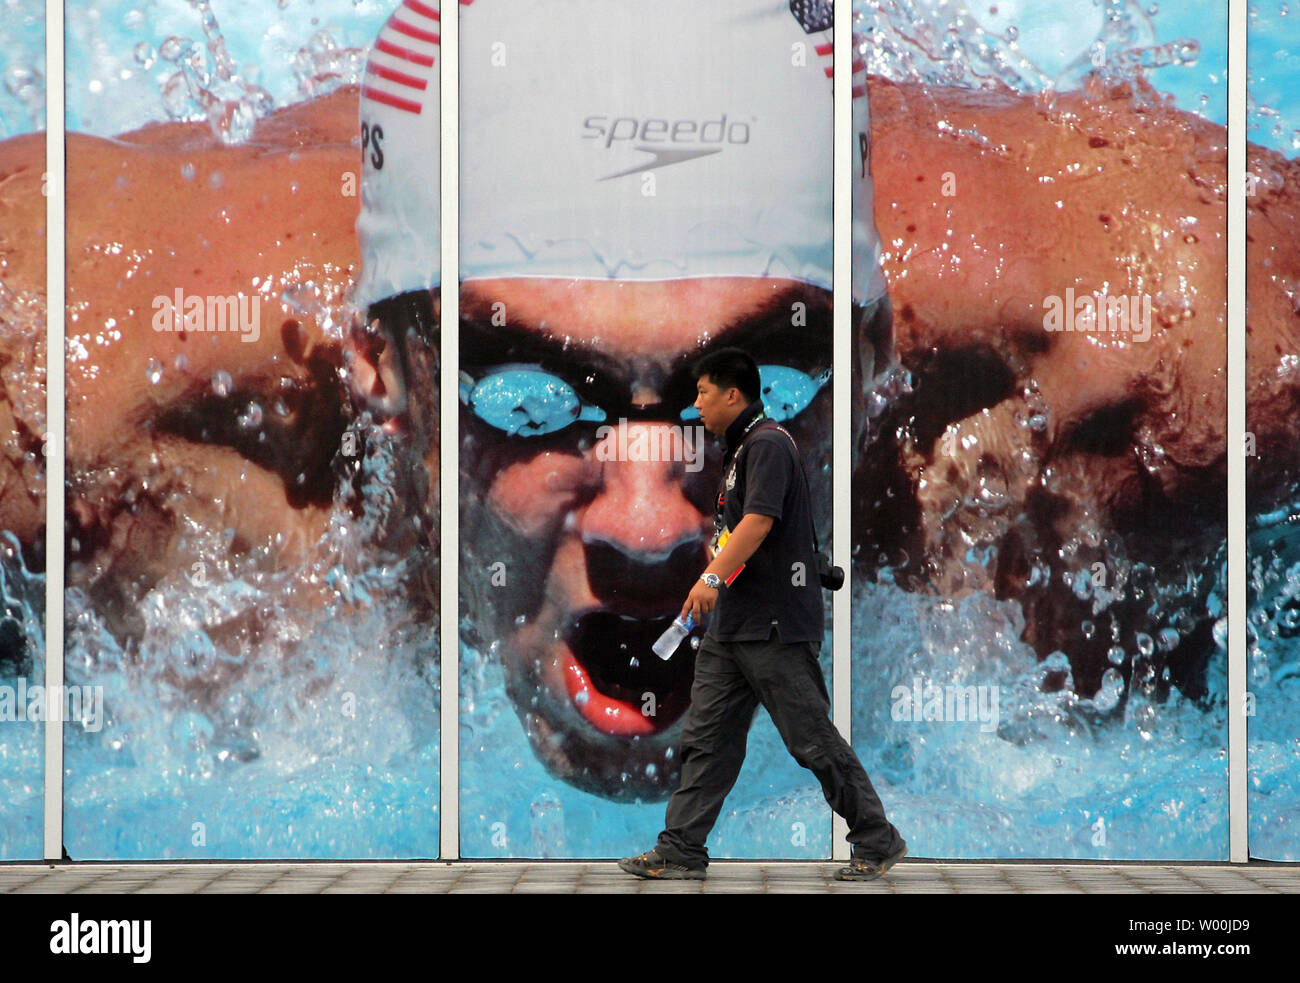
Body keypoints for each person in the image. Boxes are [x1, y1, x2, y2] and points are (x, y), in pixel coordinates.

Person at [618, 346, 907, 880]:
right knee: (706, 741)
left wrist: (710, 577)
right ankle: (681, 846)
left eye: (704, 393)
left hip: (773, 625)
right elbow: (739, 533)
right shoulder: (740, 450)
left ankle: (876, 838)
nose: (696, 403)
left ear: (734, 394)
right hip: (733, 629)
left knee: (810, 739)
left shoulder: (768, 444)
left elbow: (758, 524)